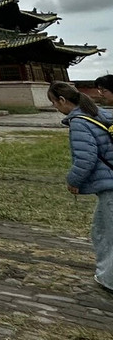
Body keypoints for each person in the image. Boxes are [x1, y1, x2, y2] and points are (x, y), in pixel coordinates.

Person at [47, 81, 113, 294]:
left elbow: (86, 158)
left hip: (110, 184)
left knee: (106, 233)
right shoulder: (101, 113)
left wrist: (73, 181)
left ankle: (109, 279)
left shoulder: (79, 122)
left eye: (54, 103)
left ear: (63, 100)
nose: (55, 107)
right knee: (101, 229)